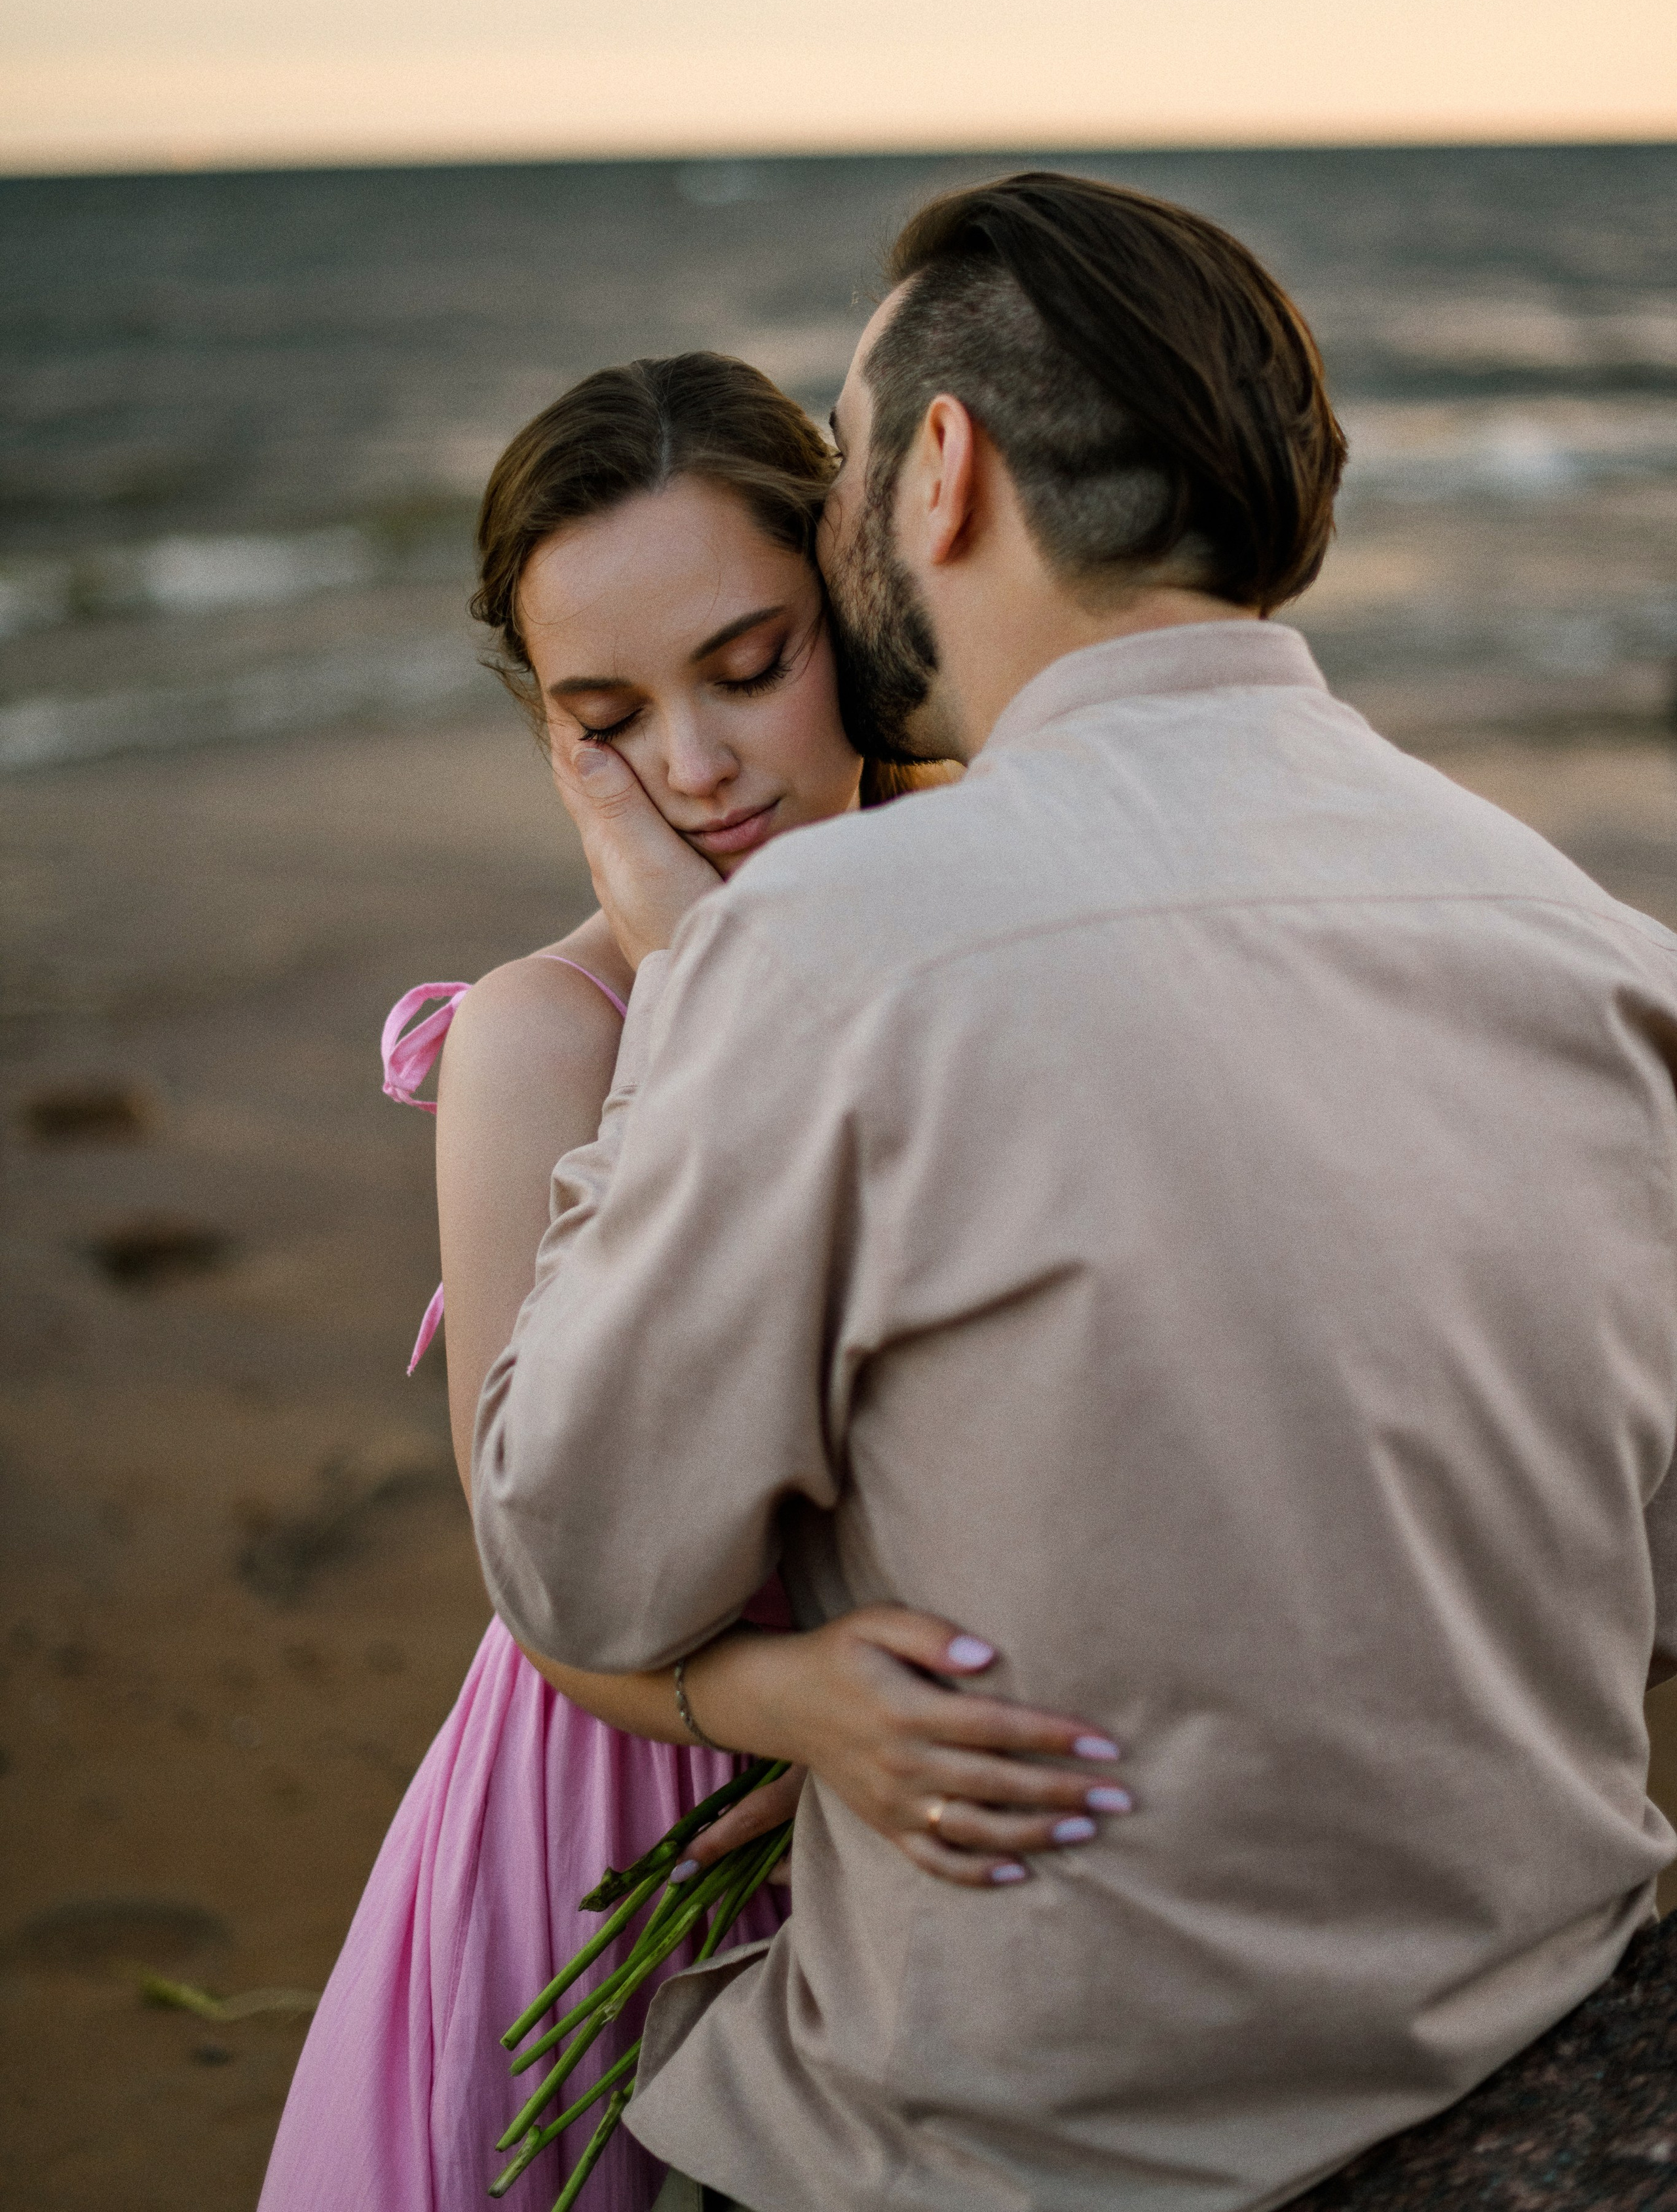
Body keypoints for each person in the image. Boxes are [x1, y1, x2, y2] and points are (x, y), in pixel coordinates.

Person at [472, 173, 1677, 2212]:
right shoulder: (1596, 942)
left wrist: (679, 1002)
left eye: (849, 454)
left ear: (939, 472)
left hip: (1022, 2131)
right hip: (1531, 2002)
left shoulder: (825, 945)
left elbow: (583, 1566)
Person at [257, 351, 1127, 2212]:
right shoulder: (543, 1039)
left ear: (862, 613)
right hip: (622, 1796)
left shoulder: (1011, 896)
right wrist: (788, 1707)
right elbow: (538, 1574)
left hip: (927, 1797)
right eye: (612, 716)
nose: (701, 764)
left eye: (750, 668)